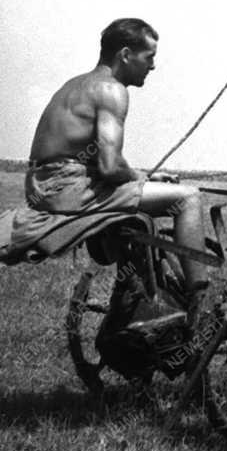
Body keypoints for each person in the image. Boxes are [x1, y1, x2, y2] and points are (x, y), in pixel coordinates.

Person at [23, 17, 208, 303]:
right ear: (125, 54)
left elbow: (93, 160)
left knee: (149, 210)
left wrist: (142, 176)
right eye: (150, 57)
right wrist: (141, 177)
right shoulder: (112, 89)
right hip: (67, 189)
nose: (153, 66)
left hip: (42, 185)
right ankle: (202, 302)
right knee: (189, 198)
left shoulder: (75, 85)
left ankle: (139, 289)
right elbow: (110, 166)